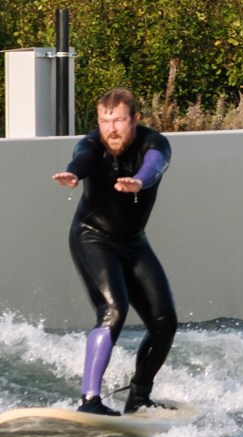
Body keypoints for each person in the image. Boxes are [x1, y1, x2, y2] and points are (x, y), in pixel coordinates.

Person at [51, 87, 178, 416]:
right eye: (104, 121)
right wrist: (74, 174)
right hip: (92, 238)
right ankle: (90, 400)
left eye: (119, 120)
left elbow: (155, 164)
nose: (111, 128)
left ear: (135, 119)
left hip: (134, 243)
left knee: (165, 323)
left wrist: (139, 180)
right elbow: (82, 159)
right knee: (113, 311)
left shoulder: (155, 143)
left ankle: (138, 397)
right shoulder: (92, 145)